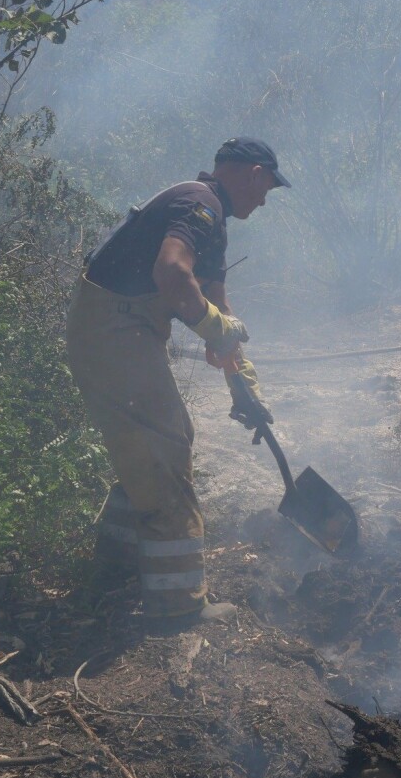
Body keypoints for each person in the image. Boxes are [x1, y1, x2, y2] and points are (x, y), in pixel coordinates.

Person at [66, 138, 289, 629]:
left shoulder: (213, 221)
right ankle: (179, 602)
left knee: (151, 444)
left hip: (117, 332)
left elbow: (218, 311)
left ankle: (117, 565)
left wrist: (244, 386)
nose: (265, 199)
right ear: (254, 173)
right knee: (163, 449)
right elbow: (171, 272)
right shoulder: (200, 206)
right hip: (113, 332)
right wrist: (212, 327)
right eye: (268, 187)